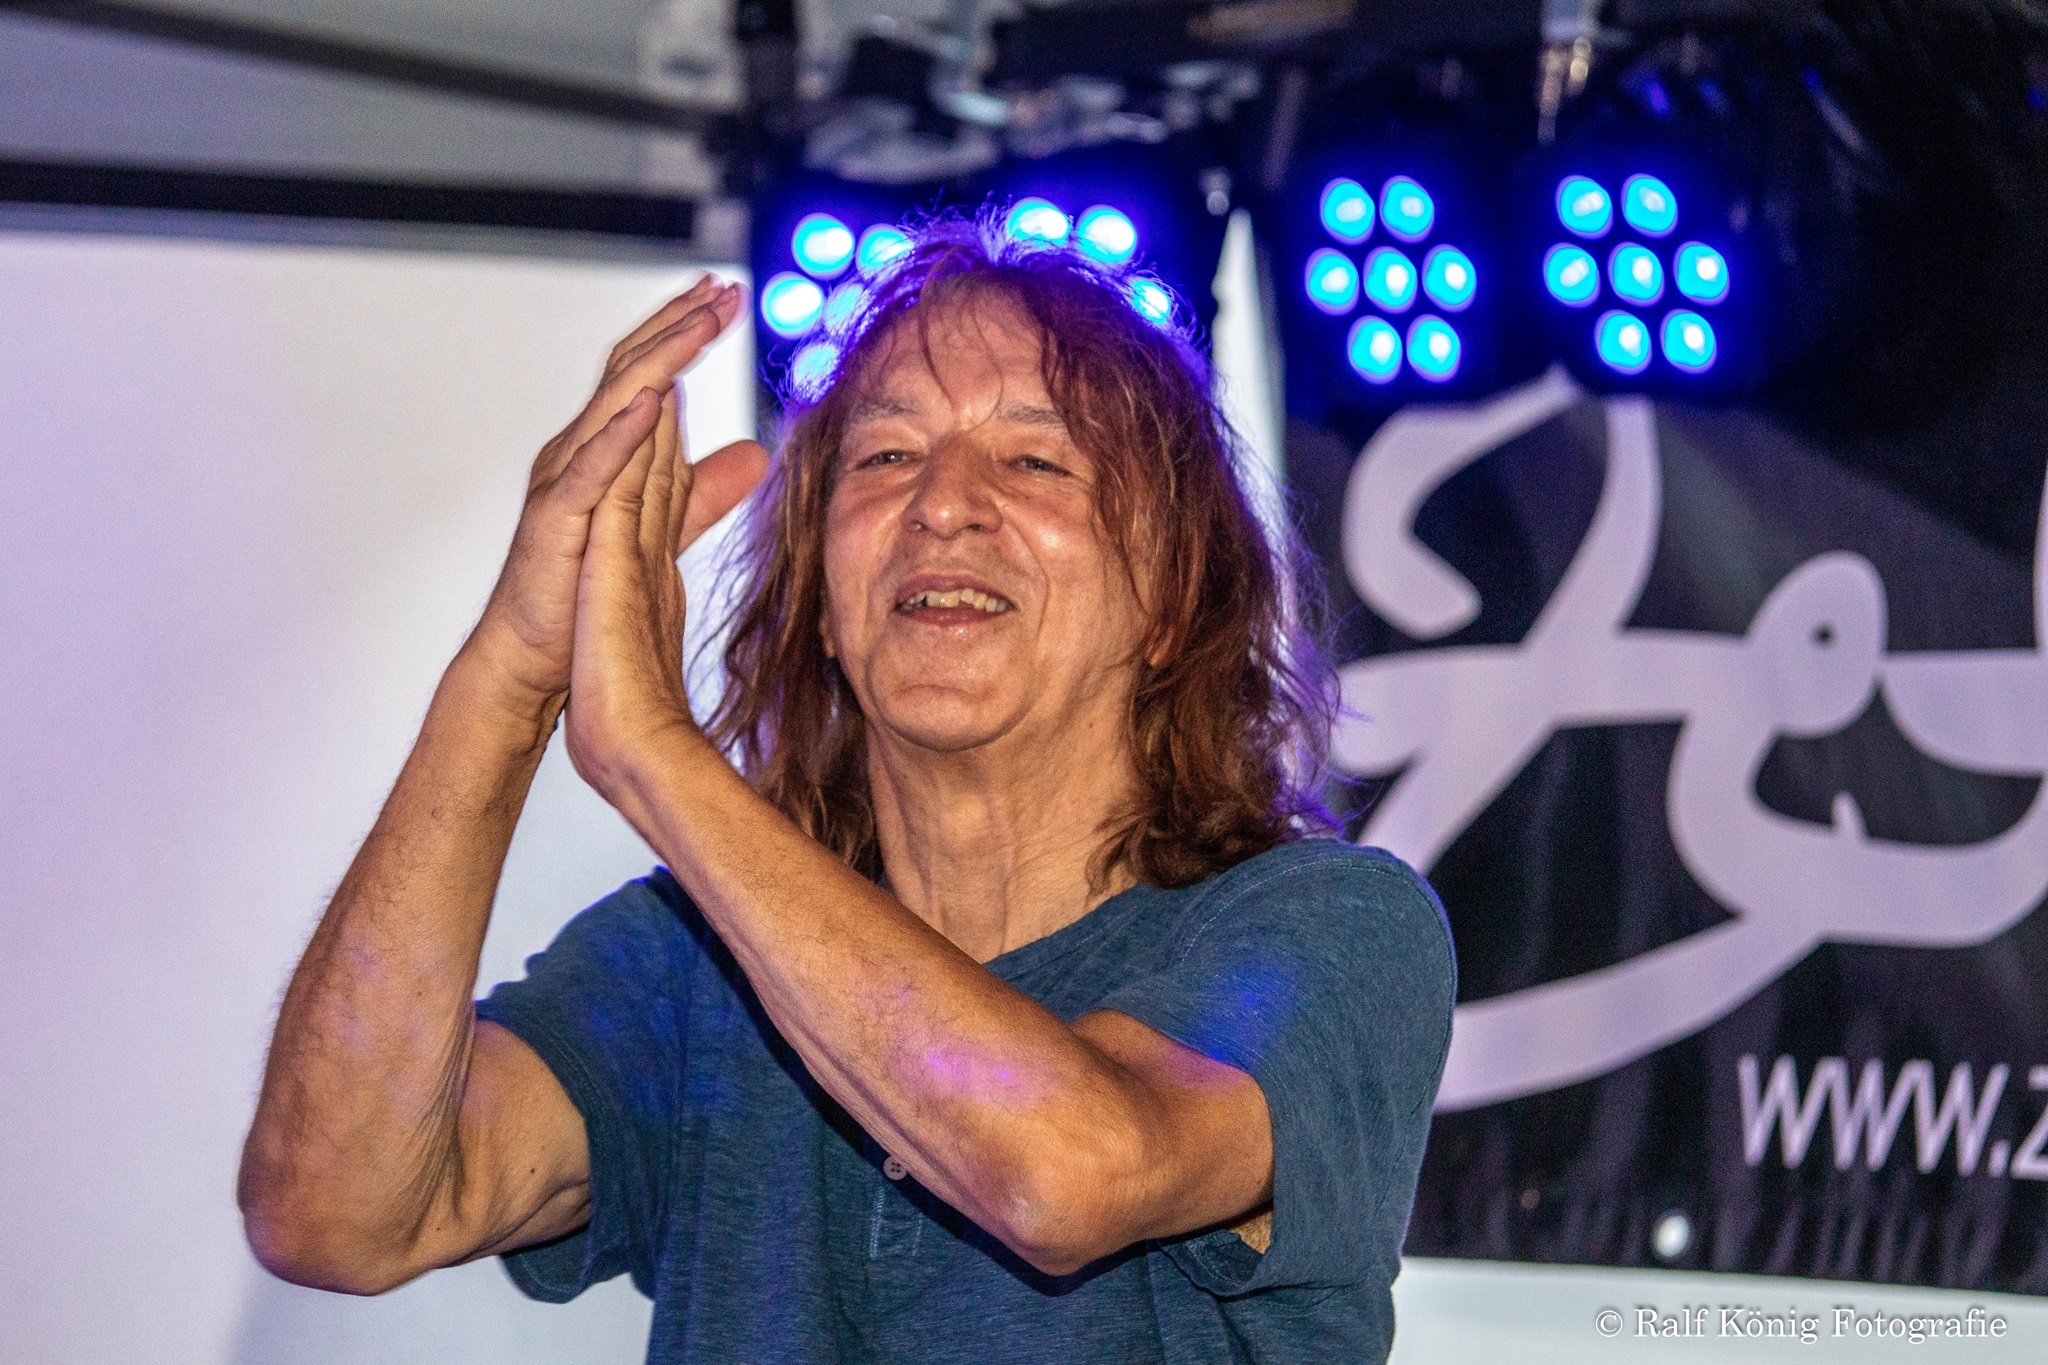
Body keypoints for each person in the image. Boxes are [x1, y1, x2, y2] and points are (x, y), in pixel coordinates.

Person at [238, 216, 1455, 1364]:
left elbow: (1068, 1174)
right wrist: (509, 676)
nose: (942, 505)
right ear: (821, 599)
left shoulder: (1323, 925)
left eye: (1035, 458)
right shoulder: (696, 960)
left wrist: (651, 751)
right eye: (885, 456)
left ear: (1175, 597)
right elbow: (332, 1214)